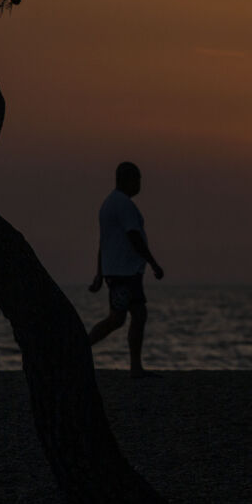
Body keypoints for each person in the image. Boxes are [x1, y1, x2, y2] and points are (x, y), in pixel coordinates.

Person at [88, 161, 163, 378]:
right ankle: (80, 350)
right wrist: (153, 262)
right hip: (124, 273)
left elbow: (104, 243)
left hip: (120, 272)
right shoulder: (122, 205)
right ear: (128, 179)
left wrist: (99, 274)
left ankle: (135, 367)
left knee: (132, 316)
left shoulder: (110, 204)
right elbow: (134, 236)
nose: (140, 184)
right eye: (137, 179)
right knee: (119, 318)